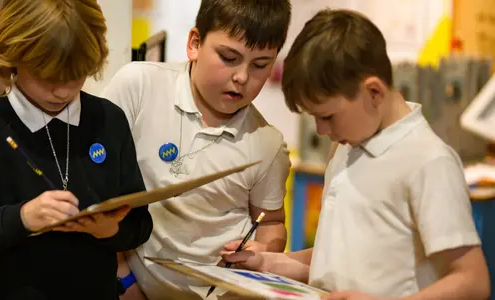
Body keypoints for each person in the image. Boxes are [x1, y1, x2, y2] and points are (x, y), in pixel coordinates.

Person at [222, 8, 491, 300]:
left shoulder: (429, 161)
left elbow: (472, 281)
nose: (321, 131)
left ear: (373, 92)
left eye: (327, 116)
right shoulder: (346, 148)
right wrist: (267, 263)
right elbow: (334, 260)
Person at [0, 1, 153, 299]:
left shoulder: (109, 121)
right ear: (14, 56)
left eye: (76, 75)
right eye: (48, 77)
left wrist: (108, 230)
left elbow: (140, 225)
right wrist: (21, 218)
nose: (62, 91)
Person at [101, 0, 292, 299]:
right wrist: (124, 280)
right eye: (229, 57)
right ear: (194, 43)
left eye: (260, 65)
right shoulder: (137, 87)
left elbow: (272, 222)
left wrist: (265, 250)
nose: (242, 77)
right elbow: (96, 188)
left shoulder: (267, 143)